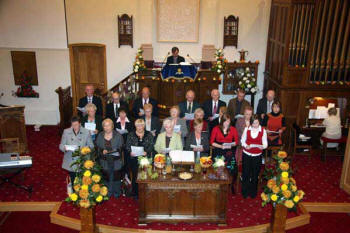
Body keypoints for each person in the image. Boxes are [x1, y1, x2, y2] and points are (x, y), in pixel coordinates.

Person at [59, 116, 94, 184]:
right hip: (70, 160)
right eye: (73, 125)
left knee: (83, 181)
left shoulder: (86, 132)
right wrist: (65, 148)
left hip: (82, 160)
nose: (74, 127)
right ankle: (73, 193)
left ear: (80, 124)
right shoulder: (66, 132)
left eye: (76, 125)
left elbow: (91, 146)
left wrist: (85, 150)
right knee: (73, 180)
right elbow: (61, 145)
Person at [241, 114, 268, 198]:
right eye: (253, 123)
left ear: (259, 122)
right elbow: (242, 141)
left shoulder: (263, 131)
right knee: (246, 174)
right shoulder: (247, 129)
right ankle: (245, 192)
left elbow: (265, 144)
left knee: (255, 175)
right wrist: (246, 146)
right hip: (247, 154)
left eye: (256, 123)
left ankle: (253, 193)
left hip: (257, 156)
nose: (255, 125)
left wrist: (262, 146)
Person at [125, 119, 154, 198]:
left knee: (145, 175)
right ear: (135, 126)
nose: (139, 127)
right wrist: (130, 152)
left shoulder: (149, 134)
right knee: (135, 176)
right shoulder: (131, 134)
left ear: (144, 126)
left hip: (145, 159)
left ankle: (145, 192)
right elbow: (127, 146)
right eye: (138, 125)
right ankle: (135, 192)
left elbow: (151, 146)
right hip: (134, 158)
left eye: (141, 125)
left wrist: (147, 152)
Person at [95, 119, 124, 198]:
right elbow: (96, 147)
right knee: (106, 177)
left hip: (116, 160)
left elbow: (121, 148)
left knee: (116, 177)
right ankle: (106, 193)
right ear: (103, 127)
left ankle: (116, 193)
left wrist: (114, 151)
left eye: (109, 125)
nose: (107, 127)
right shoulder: (100, 135)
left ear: (112, 126)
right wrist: (101, 150)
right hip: (104, 160)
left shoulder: (118, 135)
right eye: (105, 126)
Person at [210, 113, 238, 192]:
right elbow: (212, 142)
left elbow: (236, 142)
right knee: (218, 167)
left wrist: (231, 145)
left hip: (229, 151)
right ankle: (218, 184)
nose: (227, 123)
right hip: (219, 150)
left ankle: (231, 184)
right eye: (225, 121)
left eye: (228, 121)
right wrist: (221, 146)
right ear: (222, 121)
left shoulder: (233, 129)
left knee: (233, 167)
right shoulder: (216, 128)